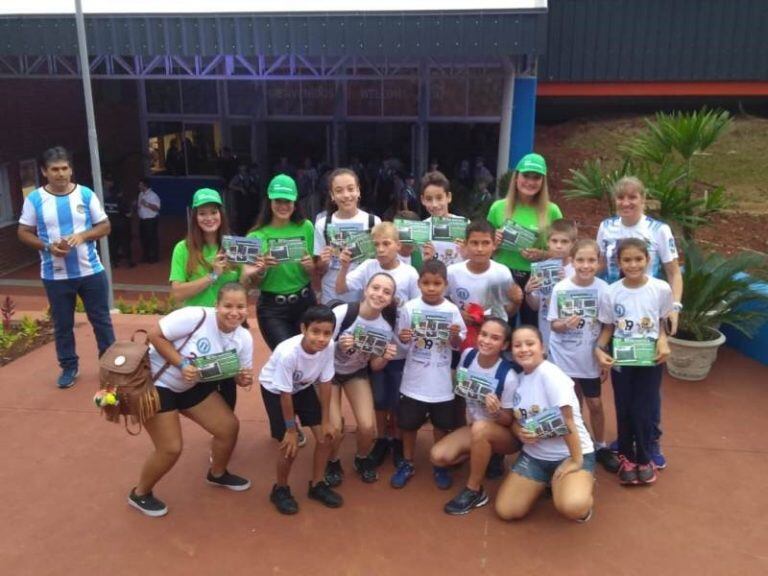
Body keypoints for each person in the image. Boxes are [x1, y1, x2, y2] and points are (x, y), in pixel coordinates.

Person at [128, 283, 253, 517]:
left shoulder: (244, 337)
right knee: (170, 448)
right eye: (227, 306)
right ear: (216, 305)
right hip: (157, 382)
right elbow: (155, 334)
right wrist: (182, 364)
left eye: (240, 306)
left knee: (228, 428)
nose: (234, 312)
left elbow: (239, 376)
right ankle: (140, 493)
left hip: (192, 385)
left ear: (247, 309)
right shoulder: (195, 316)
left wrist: (244, 378)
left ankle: (217, 473)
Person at [596, 176, 683, 469]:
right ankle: (626, 437)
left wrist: (674, 308)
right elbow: (596, 264)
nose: (626, 203)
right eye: (621, 198)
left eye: (633, 197)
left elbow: (673, 271)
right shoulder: (606, 227)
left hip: (648, 313)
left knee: (648, 384)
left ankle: (650, 438)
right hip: (615, 311)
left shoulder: (658, 230)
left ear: (643, 199)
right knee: (622, 382)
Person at [17, 146, 115, 389]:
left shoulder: (86, 194)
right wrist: (47, 247)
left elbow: (105, 226)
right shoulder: (35, 199)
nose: (60, 174)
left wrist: (83, 236)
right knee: (62, 325)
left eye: (64, 168)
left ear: (71, 169)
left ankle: (111, 366)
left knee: (101, 320)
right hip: (55, 275)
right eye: (54, 169)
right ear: (44, 172)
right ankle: (69, 367)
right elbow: (23, 232)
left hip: (91, 271)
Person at [335, 221, 420, 467]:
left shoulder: (409, 273)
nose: (381, 249)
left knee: (397, 396)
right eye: (376, 245)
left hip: (400, 346)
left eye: (386, 244)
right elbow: (341, 289)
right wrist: (343, 266)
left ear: (398, 245)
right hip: (372, 346)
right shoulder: (367, 266)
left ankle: (395, 438)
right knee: (380, 396)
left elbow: (416, 308)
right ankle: (381, 438)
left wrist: (410, 333)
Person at [495, 326, 596, 523]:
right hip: (535, 456)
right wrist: (521, 433)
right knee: (506, 510)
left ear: (542, 347)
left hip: (570, 453)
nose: (524, 349)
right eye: (518, 345)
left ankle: (581, 481)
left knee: (573, 507)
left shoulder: (551, 375)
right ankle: (547, 483)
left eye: (530, 343)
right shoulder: (519, 380)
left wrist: (575, 460)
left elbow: (567, 420)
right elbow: (516, 421)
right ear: (512, 351)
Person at [594, 238, 673, 485]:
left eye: (638, 259)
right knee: (624, 406)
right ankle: (627, 457)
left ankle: (645, 457)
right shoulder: (611, 291)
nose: (633, 264)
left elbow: (662, 322)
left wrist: (663, 341)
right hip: (622, 359)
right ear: (618, 262)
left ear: (648, 260)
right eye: (627, 260)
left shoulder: (660, 289)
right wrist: (599, 349)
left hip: (650, 358)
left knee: (645, 408)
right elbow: (608, 327)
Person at [431, 318, 520, 515]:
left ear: (504, 345)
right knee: (438, 457)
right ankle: (485, 455)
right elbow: (461, 392)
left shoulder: (509, 375)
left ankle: (475, 490)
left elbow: (509, 420)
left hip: (504, 435)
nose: (487, 341)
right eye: (484, 334)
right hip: (474, 427)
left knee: (481, 427)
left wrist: (495, 412)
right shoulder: (468, 355)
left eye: (495, 338)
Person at [259, 305, 342, 515]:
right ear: (303, 329)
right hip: (275, 390)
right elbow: (285, 395)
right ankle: (280, 489)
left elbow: (325, 383)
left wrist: (325, 421)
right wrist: (291, 430)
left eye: (326, 333)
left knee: (326, 438)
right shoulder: (289, 353)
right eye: (315, 331)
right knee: (290, 447)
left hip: (303, 386)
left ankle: (317, 484)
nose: (321, 338)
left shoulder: (329, 346)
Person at [392, 259, 467, 490]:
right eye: (426, 283)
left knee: (441, 425)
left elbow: (458, 343)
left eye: (437, 283)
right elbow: (401, 343)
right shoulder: (409, 308)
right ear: (419, 283)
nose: (431, 288)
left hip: (441, 382)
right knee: (408, 425)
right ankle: (407, 462)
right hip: (413, 379)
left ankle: (439, 463)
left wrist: (454, 336)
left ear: (445, 284)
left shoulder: (452, 310)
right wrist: (403, 339)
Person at [547, 239, 619, 473]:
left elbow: (608, 325)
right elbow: (554, 325)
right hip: (563, 356)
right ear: (572, 261)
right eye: (580, 260)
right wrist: (565, 324)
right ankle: (575, 444)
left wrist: (602, 352)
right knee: (571, 403)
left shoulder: (603, 289)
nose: (586, 265)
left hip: (589, 356)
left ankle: (601, 446)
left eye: (591, 260)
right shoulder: (561, 288)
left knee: (595, 403)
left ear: (598, 263)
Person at [323, 273, 398, 487]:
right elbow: (318, 345)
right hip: (328, 373)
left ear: (391, 299)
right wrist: (338, 345)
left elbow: (374, 366)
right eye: (375, 288)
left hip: (356, 372)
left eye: (386, 292)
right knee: (335, 427)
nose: (379, 294)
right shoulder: (343, 313)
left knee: (367, 426)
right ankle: (332, 460)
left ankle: (362, 458)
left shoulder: (385, 327)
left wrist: (384, 357)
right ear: (365, 290)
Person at [169, 188, 241, 410]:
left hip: (227, 327)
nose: (209, 218)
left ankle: (225, 433)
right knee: (201, 382)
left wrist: (255, 272)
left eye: (213, 212)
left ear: (222, 214)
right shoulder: (183, 248)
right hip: (198, 328)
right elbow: (177, 292)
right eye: (202, 213)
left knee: (227, 384)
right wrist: (213, 275)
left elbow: (242, 288)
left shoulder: (233, 247)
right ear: (194, 217)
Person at [487, 153, 563, 327]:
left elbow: (564, 251)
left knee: (533, 329)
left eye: (536, 177)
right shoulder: (498, 208)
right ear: (516, 177)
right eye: (526, 176)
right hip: (504, 274)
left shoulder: (552, 211)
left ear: (542, 181)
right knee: (501, 326)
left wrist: (542, 254)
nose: (530, 182)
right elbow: (484, 247)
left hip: (538, 277)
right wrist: (494, 243)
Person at [243, 174, 316, 350]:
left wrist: (310, 266)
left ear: (295, 202)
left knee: (309, 356)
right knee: (286, 356)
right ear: (269, 202)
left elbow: (313, 271)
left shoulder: (306, 227)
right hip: (272, 309)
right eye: (278, 201)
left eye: (288, 201)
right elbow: (247, 283)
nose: (283, 206)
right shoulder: (255, 236)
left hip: (305, 303)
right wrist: (260, 270)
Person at [314, 168, 380, 304]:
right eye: (339, 191)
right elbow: (319, 268)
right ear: (332, 195)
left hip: (363, 292)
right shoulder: (323, 224)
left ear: (358, 191)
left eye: (350, 189)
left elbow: (380, 260)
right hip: (332, 293)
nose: (346, 195)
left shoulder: (373, 221)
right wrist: (323, 261)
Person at [524, 219, 576, 347]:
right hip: (546, 330)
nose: (559, 246)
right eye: (554, 241)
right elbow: (535, 306)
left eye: (564, 241)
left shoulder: (577, 269)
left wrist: (565, 285)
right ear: (548, 242)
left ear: (573, 244)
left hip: (571, 335)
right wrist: (528, 292)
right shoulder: (540, 268)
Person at [420, 171, 466, 267]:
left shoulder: (465, 225)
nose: (434, 204)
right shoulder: (421, 229)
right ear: (422, 200)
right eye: (429, 199)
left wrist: (468, 253)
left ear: (448, 197)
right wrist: (426, 260)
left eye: (439, 198)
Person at [103, 172, 134, 267]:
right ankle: (128, 261)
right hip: (122, 225)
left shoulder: (106, 201)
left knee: (113, 244)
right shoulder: (121, 201)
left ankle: (114, 262)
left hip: (110, 224)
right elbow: (128, 214)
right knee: (125, 243)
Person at [228, 163, 259, 235]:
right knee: (241, 215)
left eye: (245, 169)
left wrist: (253, 189)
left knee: (250, 214)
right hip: (240, 200)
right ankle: (241, 232)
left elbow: (254, 185)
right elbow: (230, 185)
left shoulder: (250, 177)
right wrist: (240, 189)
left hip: (250, 200)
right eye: (242, 169)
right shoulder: (237, 177)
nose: (243, 171)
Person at [137, 178, 161, 264]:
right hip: (142, 219)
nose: (139, 186)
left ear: (145, 185)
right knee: (143, 238)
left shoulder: (153, 196)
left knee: (152, 238)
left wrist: (146, 204)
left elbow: (157, 208)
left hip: (151, 220)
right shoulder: (140, 194)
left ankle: (154, 257)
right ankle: (146, 256)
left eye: (140, 184)